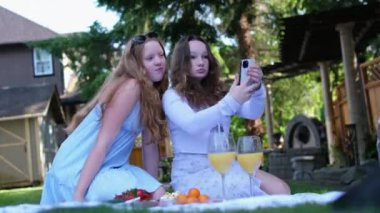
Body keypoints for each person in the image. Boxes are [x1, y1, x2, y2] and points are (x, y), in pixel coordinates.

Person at [40, 32, 168, 204]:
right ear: (137, 64)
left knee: (159, 195)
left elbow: (149, 145)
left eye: (161, 55)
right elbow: (103, 142)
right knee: (131, 197)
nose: (159, 61)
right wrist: (78, 195)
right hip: (78, 166)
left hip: (111, 168)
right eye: (150, 58)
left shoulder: (153, 95)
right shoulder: (131, 88)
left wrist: (153, 189)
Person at [163, 35, 290, 199]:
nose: (201, 62)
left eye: (205, 57)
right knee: (254, 195)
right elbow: (192, 124)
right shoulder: (172, 95)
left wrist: (257, 89)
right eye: (192, 57)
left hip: (226, 164)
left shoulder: (217, 94)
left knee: (281, 189)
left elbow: (253, 112)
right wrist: (232, 100)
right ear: (181, 62)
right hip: (192, 173)